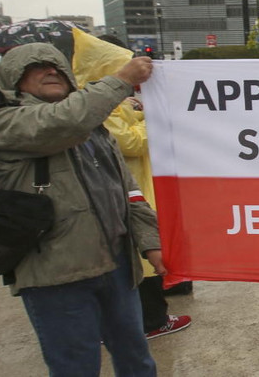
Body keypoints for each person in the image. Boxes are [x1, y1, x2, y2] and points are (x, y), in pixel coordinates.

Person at [0, 43, 163, 376]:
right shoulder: (5, 122)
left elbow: (128, 189)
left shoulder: (93, 126)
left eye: (55, 65)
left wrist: (150, 241)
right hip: (57, 275)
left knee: (137, 358)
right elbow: (62, 123)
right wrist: (121, 79)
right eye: (35, 67)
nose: (49, 70)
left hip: (118, 267)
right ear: (12, 81)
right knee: (76, 367)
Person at [96, 35, 193, 340]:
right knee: (143, 256)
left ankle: (150, 314)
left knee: (149, 250)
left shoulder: (108, 100)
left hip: (137, 187)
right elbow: (130, 141)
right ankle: (152, 320)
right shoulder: (101, 105)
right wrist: (155, 120)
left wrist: (138, 111)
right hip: (127, 190)